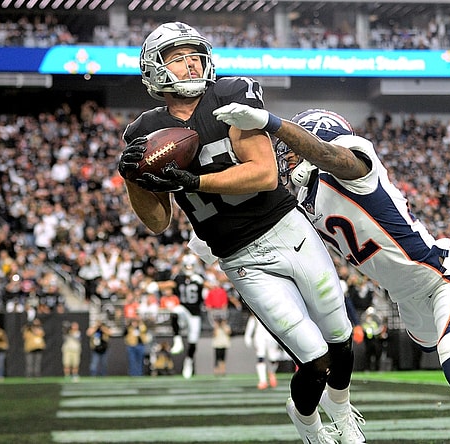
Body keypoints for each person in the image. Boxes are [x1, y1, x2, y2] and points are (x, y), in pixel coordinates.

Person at [212, 103, 450, 444]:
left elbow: (334, 158)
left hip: (445, 278)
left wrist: (274, 123)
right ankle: (326, 400)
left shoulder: (356, 167)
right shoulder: (298, 202)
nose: (287, 158)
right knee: (423, 346)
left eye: (294, 149)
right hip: (407, 299)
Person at [118, 22, 363, 444]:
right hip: (239, 255)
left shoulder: (230, 94)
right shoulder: (144, 130)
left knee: (341, 339)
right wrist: (134, 180)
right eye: (178, 56)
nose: (191, 61)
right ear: (154, 67)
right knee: (314, 356)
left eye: (194, 53)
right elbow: (158, 223)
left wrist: (194, 183)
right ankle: (308, 425)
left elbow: (265, 174)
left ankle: (342, 414)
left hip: (288, 230)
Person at [158, 254, 205, 379]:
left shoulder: (199, 278)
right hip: (184, 309)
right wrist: (155, 285)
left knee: (193, 340)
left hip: (195, 313)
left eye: (191, 266)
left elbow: (211, 287)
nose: (189, 268)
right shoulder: (179, 278)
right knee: (175, 310)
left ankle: (188, 362)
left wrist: (202, 283)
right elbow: (169, 284)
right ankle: (177, 340)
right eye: (187, 266)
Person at [244, 313, 282, 390]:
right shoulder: (254, 315)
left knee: (273, 358)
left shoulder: (272, 313)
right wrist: (247, 337)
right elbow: (250, 325)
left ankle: (271, 373)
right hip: (259, 338)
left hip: (271, 338)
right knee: (260, 357)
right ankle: (263, 380)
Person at [359, 307, 387, 372]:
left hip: (375, 341)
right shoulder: (365, 324)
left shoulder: (374, 323)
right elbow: (364, 330)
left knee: (377, 354)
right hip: (368, 341)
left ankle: (377, 368)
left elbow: (378, 330)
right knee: (368, 355)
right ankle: (367, 369)